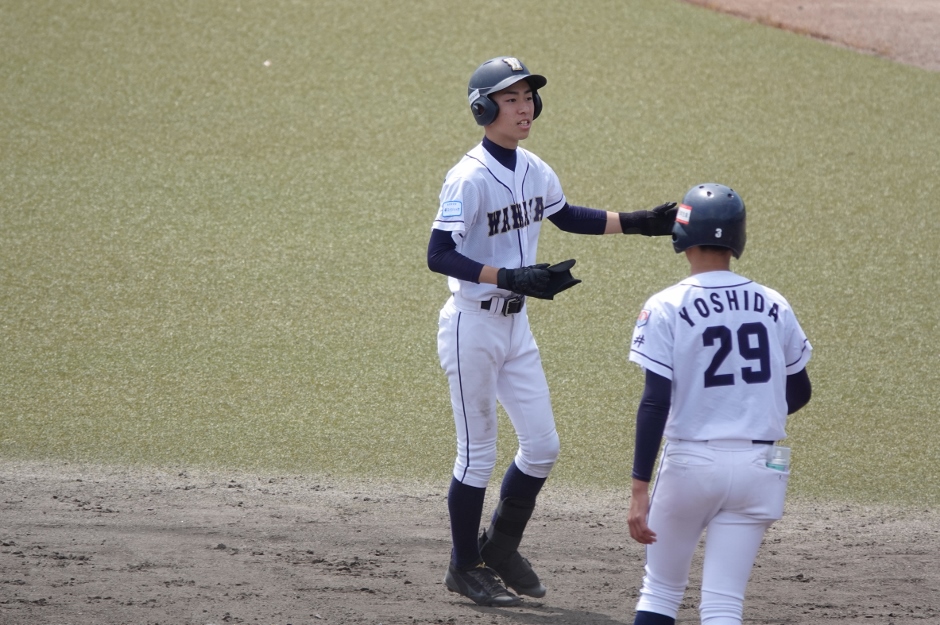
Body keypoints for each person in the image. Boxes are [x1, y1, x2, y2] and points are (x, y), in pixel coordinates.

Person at [428, 56, 677, 607]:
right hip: (471, 327)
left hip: (515, 327)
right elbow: (438, 254)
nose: (524, 109)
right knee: (476, 455)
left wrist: (641, 223)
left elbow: (566, 216)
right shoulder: (468, 177)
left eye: (528, 98)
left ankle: (499, 548)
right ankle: (464, 565)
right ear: (483, 109)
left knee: (542, 447)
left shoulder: (533, 168)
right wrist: (508, 276)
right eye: (511, 99)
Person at [625, 182, 813, 625]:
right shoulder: (774, 303)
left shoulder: (666, 305)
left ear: (682, 237)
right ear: (737, 238)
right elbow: (800, 391)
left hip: (692, 464)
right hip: (761, 467)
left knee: (661, 592)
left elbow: (655, 402)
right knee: (724, 604)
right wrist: (747, 408)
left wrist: (638, 489)